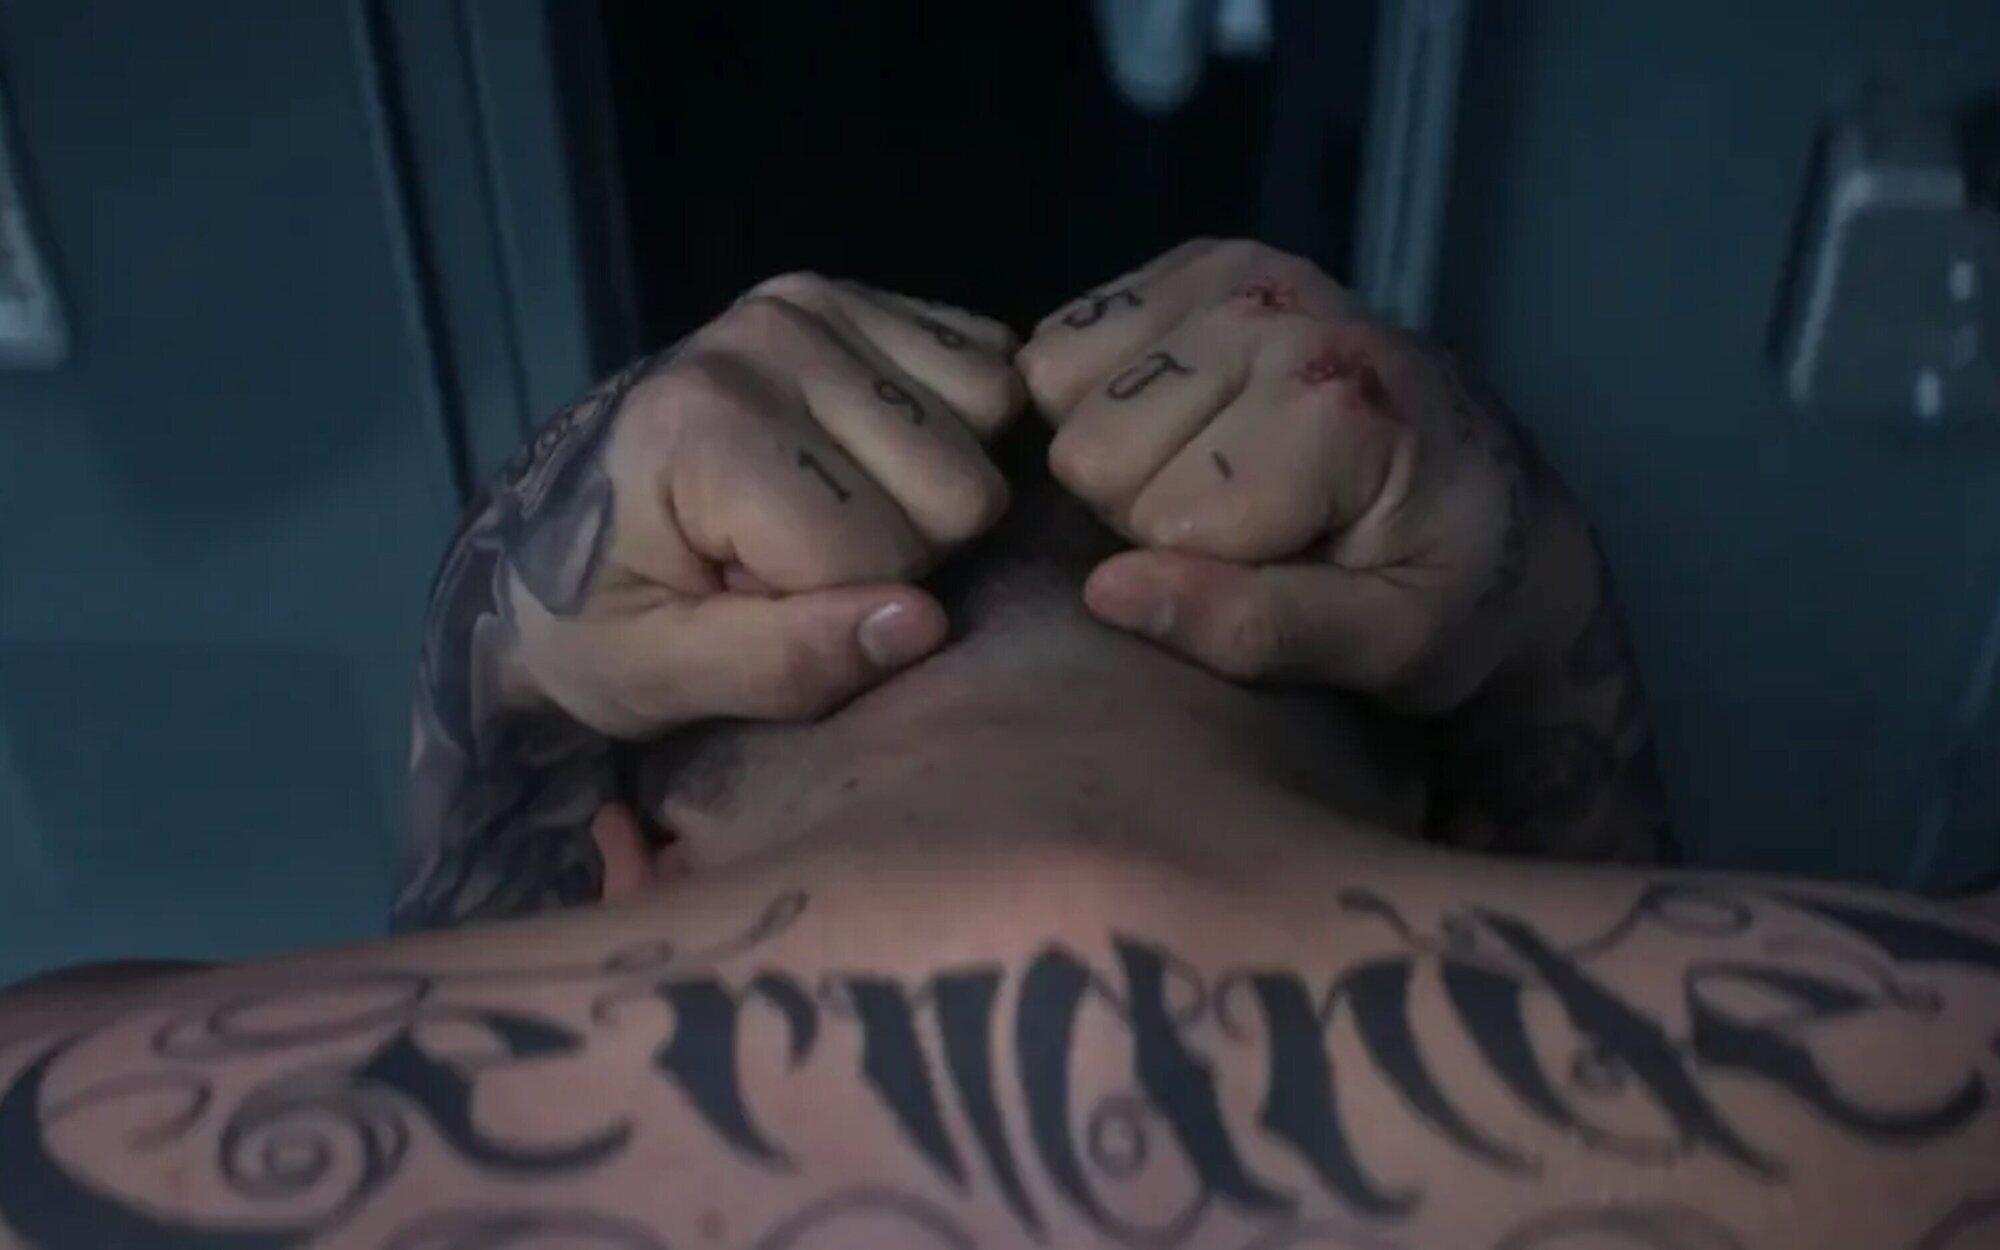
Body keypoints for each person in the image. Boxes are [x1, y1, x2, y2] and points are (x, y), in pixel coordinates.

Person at [1, 241, 1995, 1250]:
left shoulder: (69, 1121)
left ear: (629, 862)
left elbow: (443, 987)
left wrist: (509, 615)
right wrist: (1536, 596)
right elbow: (1616, 947)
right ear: (1448, 822)